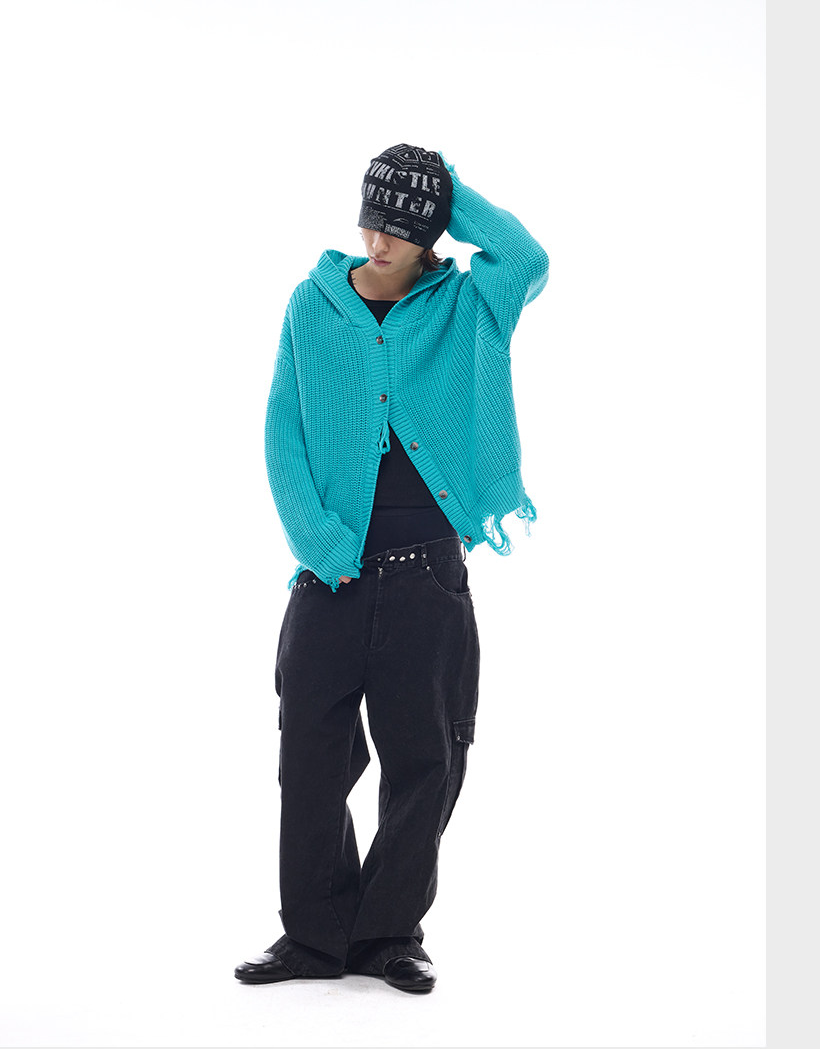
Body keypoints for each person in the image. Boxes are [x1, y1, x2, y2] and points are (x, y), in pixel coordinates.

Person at [235, 143, 549, 993]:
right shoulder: (313, 302)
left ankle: (389, 935)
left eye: (400, 228)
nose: (378, 240)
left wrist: (445, 191)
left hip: (428, 575)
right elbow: (281, 428)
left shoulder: (469, 303)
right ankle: (313, 935)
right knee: (311, 756)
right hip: (330, 572)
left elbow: (525, 258)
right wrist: (319, 544)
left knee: (425, 759)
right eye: (370, 220)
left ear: (432, 233)